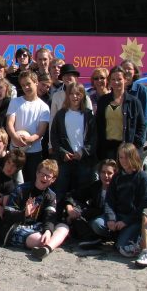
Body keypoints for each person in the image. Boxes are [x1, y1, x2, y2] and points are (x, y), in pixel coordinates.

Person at [0, 159, 69, 260]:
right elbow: (6, 215)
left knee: (63, 227)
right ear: (36, 173)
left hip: (36, 226)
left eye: (48, 176)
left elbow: (50, 216)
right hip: (16, 227)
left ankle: (46, 249)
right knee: (40, 240)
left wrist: (48, 231)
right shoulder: (20, 190)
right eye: (42, 173)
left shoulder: (51, 195)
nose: (44, 177)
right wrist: (24, 214)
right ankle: (48, 244)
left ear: (53, 180)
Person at [49, 82, 97, 210]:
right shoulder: (61, 114)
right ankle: (58, 217)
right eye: (71, 94)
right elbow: (54, 136)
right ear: (67, 95)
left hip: (83, 160)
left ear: (83, 96)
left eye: (78, 94)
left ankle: (79, 218)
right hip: (65, 160)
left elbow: (93, 138)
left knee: (81, 192)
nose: (74, 97)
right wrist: (62, 152)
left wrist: (83, 152)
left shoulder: (88, 115)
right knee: (61, 190)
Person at [98, 143, 147, 257]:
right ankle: (120, 235)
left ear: (133, 157)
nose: (124, 160)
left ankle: (131, 238)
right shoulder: (117, 177)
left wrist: (126, 221)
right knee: (97, 224)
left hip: (133, 219)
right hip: (118, 216)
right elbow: (109, 200)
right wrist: (111, 219)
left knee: (122, 248)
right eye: (121, 157)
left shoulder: (142, 177)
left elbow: (145, 205)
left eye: (127, 157)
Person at [6, 70, 50, 183]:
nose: (26, 87)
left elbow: (41, 131)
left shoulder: (44, 107)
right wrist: (15, 137)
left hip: (34, 152)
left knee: (31, 182)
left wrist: (30, 140)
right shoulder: (15, 102)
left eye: (28, 84)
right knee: (13, 182)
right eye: (23, 85)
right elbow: (10, 123)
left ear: (36, 82)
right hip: (15, 151)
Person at [65, 159, 118, 248]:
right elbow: (74, 195)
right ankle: (93, 238)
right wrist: (69, 208)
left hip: (111, 220)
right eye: (103, 172)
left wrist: (84, 213)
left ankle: (105, 237)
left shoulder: (118, 188)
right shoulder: (96, 186)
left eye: (109, 173)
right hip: (94, 216)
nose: (106, 176)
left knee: (96, 224)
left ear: (115, 174)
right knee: (75, 211)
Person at [96, 66, 145, 161]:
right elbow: (98, 124)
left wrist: (134, 145)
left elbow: (141, 125)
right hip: (107, 148)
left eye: (119, 79)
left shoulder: (134, 102)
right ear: (109, 81)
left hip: (126, 148)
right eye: (113, 79)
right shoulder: (103, 101)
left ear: (125, 80)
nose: (116, 82)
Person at [49, 64, 93, 128]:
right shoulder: (56, 96)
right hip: (62, 134)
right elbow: (53, 118)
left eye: (69, 75)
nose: (67, 78)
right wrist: (52, 137)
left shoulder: (85, 95)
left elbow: (90, 117)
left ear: (75, 77)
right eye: (64, 76)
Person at [120, 60, 147, 143]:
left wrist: (139, 140)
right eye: (124, 68)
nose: (126, 71)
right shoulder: (116, 89)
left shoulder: (141, 90)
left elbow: (145, 118)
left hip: (133, 139)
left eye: (129, 69)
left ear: (134, 72)